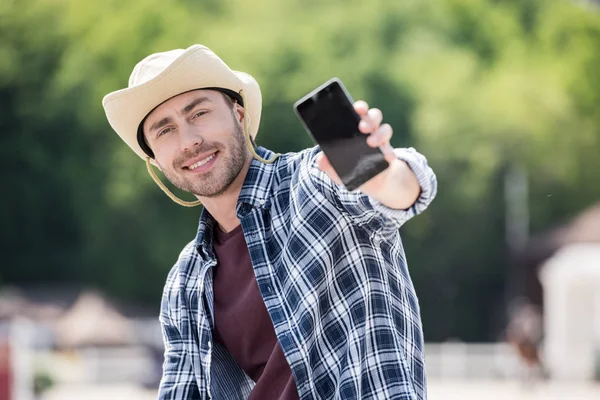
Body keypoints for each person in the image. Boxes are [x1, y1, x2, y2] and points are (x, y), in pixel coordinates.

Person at [103, 44, 437, 400]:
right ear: (155, 161)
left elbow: (405, 189)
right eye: (164, 131)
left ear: (239, 113)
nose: (190, 141)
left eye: (199, 113)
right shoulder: (186, 283)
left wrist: (382, 178)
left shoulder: (314, 182)